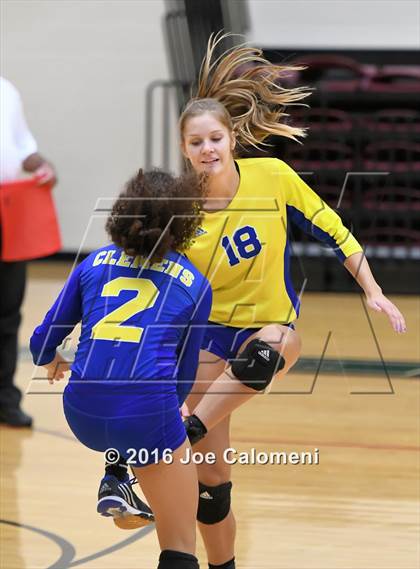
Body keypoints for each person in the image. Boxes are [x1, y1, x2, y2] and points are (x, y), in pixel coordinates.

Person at [98, 34, 407, 569]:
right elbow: (144, 278)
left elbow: (335, 231)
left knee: (271, 347)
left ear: (232, 137)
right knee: (212, 489)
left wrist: (374, 290)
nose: (207, 150)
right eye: (196, 143)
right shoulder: (179, 204)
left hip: (267, 328)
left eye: (215, 138)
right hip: (205, 339)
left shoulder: (274, 177)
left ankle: (172, 435)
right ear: (184, 149)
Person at [30, 169, 212, 569]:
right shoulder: (196, 284)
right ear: (184, 225)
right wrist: (167, 421)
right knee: (181, 541)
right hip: (146, 416)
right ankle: (122, 471)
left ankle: (116, 474)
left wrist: (52, 359)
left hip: (80, 413)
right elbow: (184, 377)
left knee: (122, 403)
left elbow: (41, 341)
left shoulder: (93, 263)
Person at [0, 76, 56, 427]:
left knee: (7, 313)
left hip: (9, 208)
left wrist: (40, 165)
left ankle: (4, 398)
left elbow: (22, 147)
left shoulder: (6, 90)